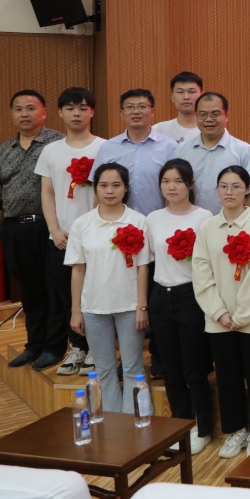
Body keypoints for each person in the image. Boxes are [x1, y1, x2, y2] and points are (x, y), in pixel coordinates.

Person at [192, 165, 250, 459]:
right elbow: (201, 272)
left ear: (247, 190)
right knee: (227, 377)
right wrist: (219, 312)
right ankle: (235, 430)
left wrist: (242, 315)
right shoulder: (207, 227)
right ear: (216, 190)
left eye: (236, 186)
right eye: (224, 186)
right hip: (218, 319)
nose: (229, 192)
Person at [0, 89, 65, 370]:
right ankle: (34, 344)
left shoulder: (58, 143)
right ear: (11, 114)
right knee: (29, 291)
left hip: (49, 226)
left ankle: (54, 347)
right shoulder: (4, 150)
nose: (24, 114)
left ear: (44, 112)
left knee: (53, 288)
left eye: (31, 108)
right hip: (14, 229)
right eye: (18, 109)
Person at [65, 162, 150, 413]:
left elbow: (143, 268)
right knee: (103, 370)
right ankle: (112, 424)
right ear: (95, 188)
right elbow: (77, 270)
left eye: (116, 185)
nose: (110, 191)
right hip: (93, 308)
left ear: (126, 188)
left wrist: (141, 307)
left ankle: (137, 423)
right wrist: (76, 311)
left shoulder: (138, 221)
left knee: (133, 368)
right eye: (103, 185)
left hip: (129, 307)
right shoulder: (82, 224)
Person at [144, 160, 214, 453]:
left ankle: (203, 428)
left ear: (190, 184)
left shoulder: (204, 217)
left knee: (194, 369)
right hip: (161, 296)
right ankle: (180, 425)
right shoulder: (153, 218)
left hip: (192, 296)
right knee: (171, 370)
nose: (171, 187)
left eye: (178, 181)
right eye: (166, 181)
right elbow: (148, 260)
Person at [36, 87, 103, 375]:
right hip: (61, 237)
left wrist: (95, 229)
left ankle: (98, 347)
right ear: (60, 113)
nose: (77, 113)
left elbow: (108, 191)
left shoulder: (104, 147)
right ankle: (78, 346)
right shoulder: (51, 150)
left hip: (96, 236)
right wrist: (54, 229)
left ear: (92, 112)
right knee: (66, 296)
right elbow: (47, 192)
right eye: (70, 108)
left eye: (83, 108)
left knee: (96, 294)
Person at [91, 88, 178, 216]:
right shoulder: (108, 148)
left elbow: (176, 189)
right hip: (117, 222)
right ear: (121, 113)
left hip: (156, 221)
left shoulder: (169, 147)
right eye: (130, 107)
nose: (136, 111)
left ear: (152, 111)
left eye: (142, 106)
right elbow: (98, 189)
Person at [173, 92, 250, 215]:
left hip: (229, 222)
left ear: (226, 116)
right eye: (203, 114)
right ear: (196, 116)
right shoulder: (182, 150)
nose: (209, 119)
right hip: (189, 222)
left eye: (215, 114)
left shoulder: (243, 151)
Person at [152, 71, 203, 145]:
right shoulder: (158, 131)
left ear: (201, 96)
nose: (186, 97)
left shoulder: (212, 130)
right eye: (180, 92)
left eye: (191, 92)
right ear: (172, 97)